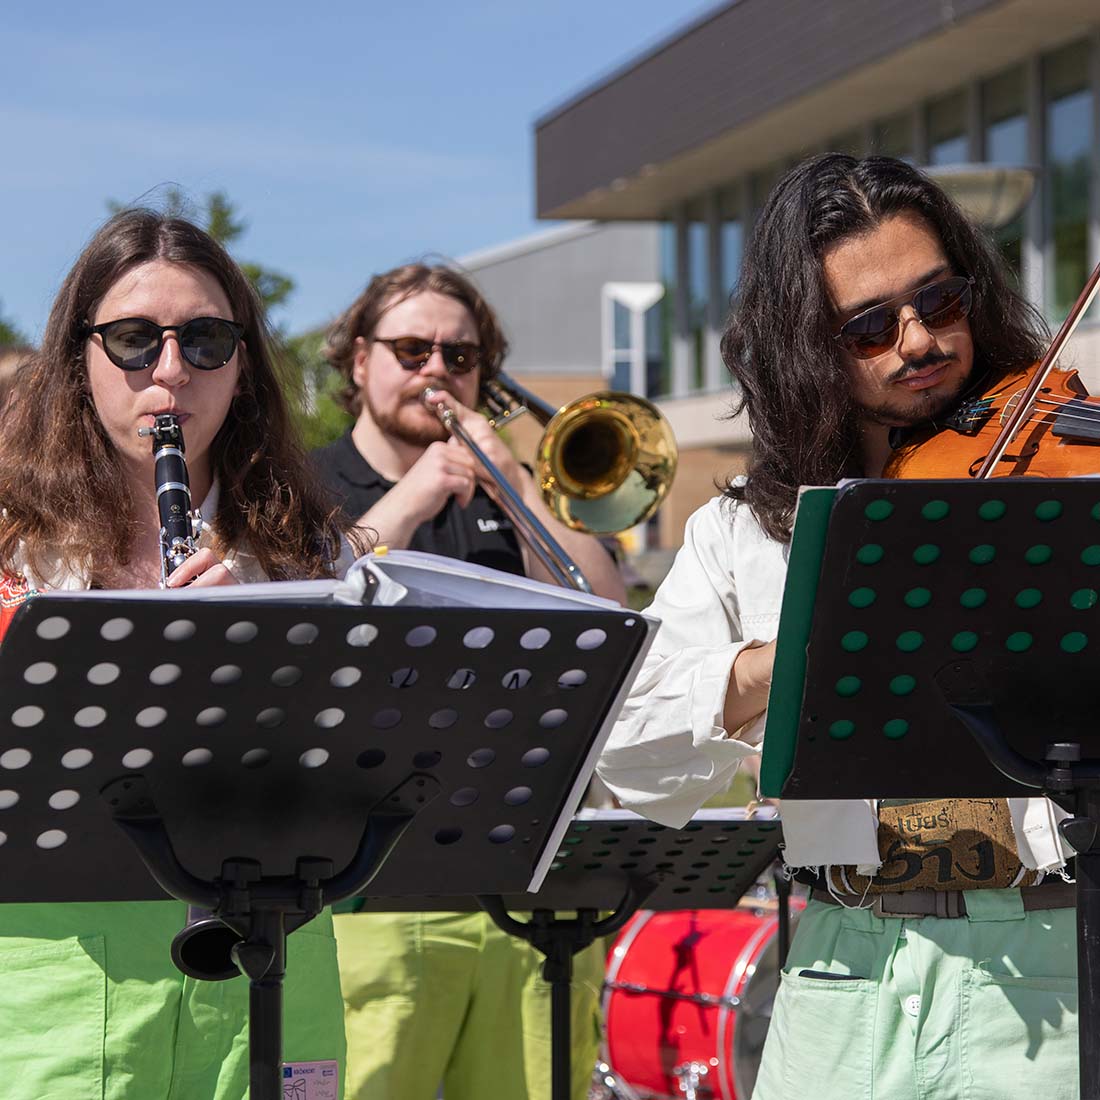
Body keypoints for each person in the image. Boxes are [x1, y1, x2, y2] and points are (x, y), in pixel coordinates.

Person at [598, 154, 1079, 1100]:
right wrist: (806, 655)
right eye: (868, 326)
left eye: (939, 301)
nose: (917, 341)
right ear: (805, 346)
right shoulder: (740, 528)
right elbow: (629, 751)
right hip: (839, 969)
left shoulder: (1059, 468)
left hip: (1052, 961)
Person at [0, 209, 350, 1098]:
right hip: (59, 973)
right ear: (79, 358)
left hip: (273, 960)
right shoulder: (10, 542)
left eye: (204, 340)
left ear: (242, 365)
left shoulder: (312, 553)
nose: (169, 372)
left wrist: (267, 650)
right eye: (131, 339)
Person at [314, 262, 627, 1100]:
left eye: (460, 353)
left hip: (523, 887)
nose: (436, 370)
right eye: (411, 348)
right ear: (357, 361)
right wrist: (409, 502)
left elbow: (609, 614)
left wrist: (518, 487)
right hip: (367, 890)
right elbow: (304, 608)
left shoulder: (507, 488)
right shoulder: (307, 484)